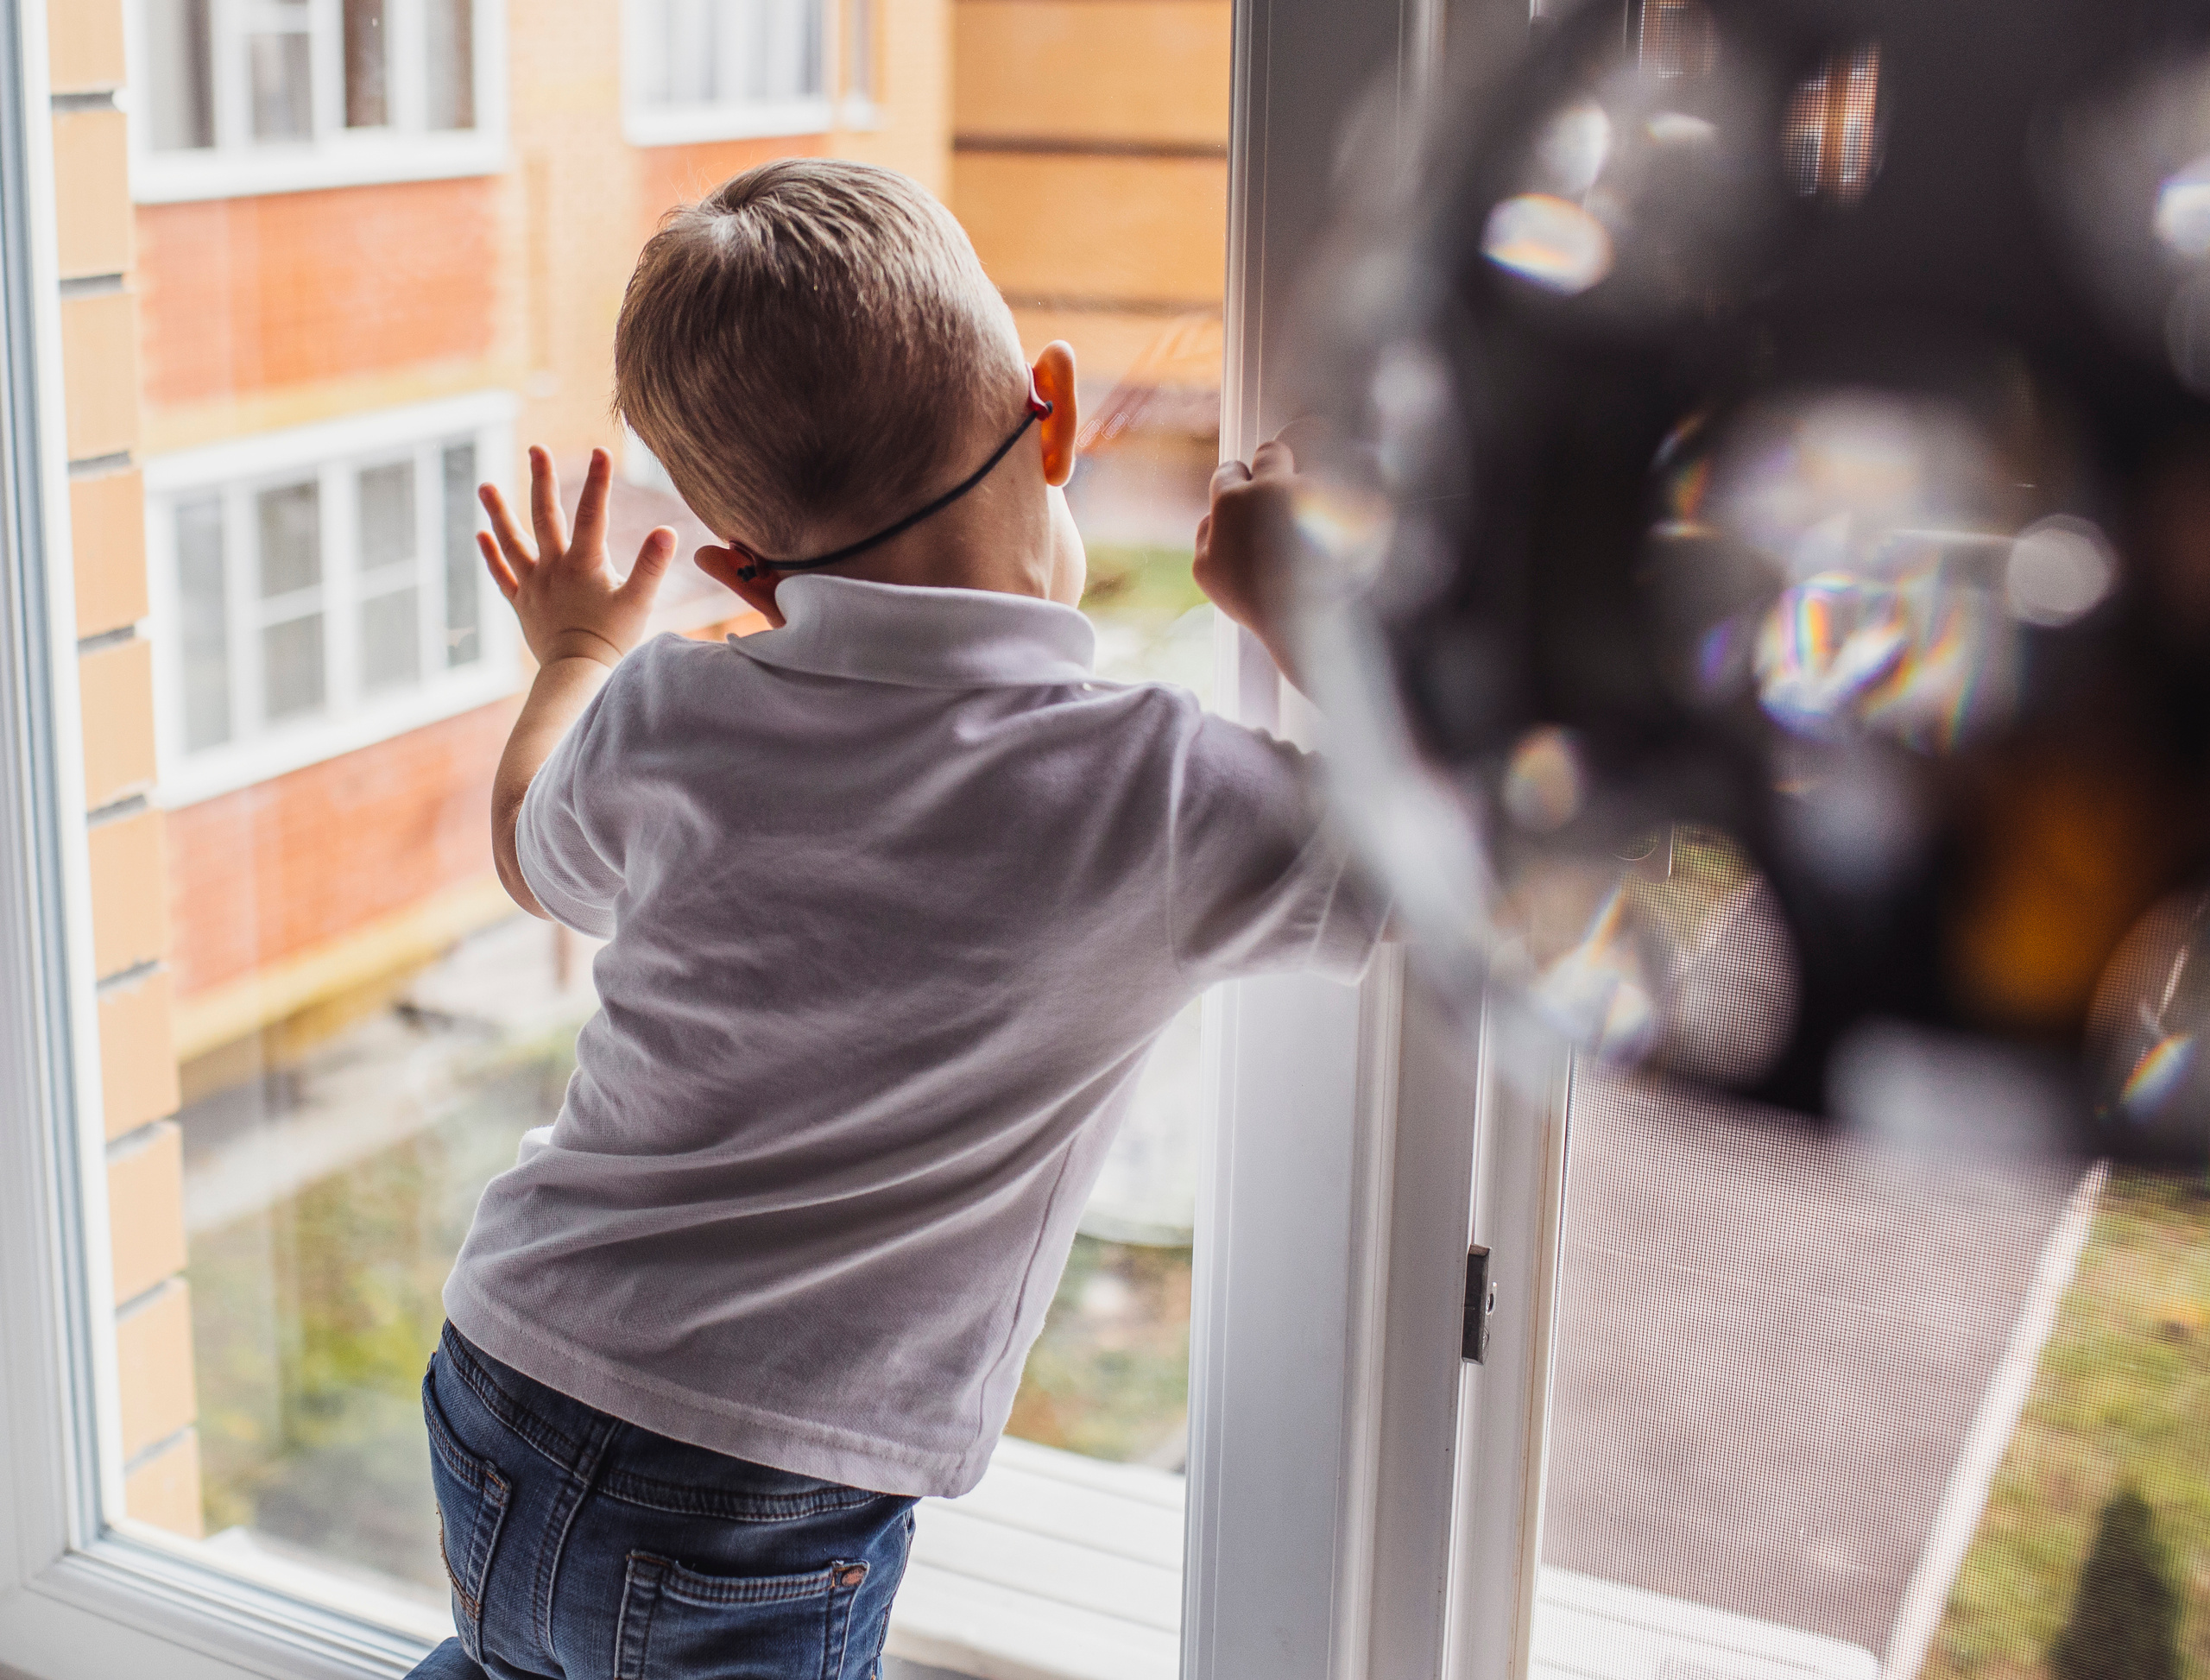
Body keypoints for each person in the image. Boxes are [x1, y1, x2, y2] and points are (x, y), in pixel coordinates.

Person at [408, 157, 1383, 1680]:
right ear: (1050, 409)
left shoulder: (666, 705)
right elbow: (1468, 853)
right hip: (754, 1492)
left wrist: (585, 644)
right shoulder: (1153, 790)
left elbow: (536, 855)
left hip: (503, 1372)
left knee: (520, 1660)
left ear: (738, 569)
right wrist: (1315, 612)